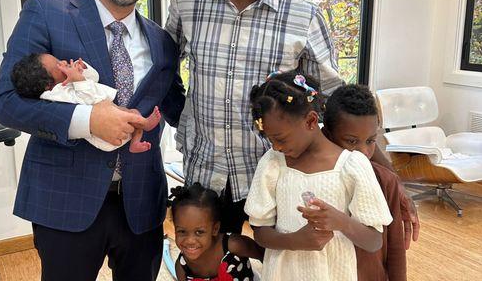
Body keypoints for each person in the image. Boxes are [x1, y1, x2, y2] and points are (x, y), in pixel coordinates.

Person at [0, 0, 185, 281]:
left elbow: (176, 107)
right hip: (64, 199)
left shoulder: (163, 42)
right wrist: (87, 121)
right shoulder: (46, 13)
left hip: (141, 203)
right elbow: (7, 102)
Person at [165, 0, 342, 234]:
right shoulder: (187, 2)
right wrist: (182, 118)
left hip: (278, 177)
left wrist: (371, 163)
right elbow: (163, 71)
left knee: (277, 267)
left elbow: (333, 97)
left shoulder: (303, 13)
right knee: (211, 268)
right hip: (205, 176)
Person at [244, 70, 392, 281]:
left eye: (280, 138)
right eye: (270, 139)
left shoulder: (352, 166)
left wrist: (342, 222)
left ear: (311, 121)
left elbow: (374, 241)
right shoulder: (273, 163)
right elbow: (260, 232)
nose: (275, 146)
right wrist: (295, 241)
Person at [323, 84, 407, 281]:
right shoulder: (317, 178)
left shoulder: (386, 181)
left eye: (370, 141)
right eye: (352, 141)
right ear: (328, 135)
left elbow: (395, 249)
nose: (363, 152)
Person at [11, 53, 161, 153]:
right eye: (58, 64)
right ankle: (145, 124)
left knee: (133, 113)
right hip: (105, 137)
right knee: (133, 116)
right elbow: (87, 98)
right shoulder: (57, 94)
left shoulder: (67, 83)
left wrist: (83, 70)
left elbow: (94, 79)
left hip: (112, 116)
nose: (63, 61)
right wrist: (78, 80)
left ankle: (135, 142)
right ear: (47, 85)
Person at [170, 183, 263, 281]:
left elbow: (266, 257)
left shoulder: (235, 245)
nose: (190, 240)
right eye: (182, 231)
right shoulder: (182, 267)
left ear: (215, 229)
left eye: (199, 232)